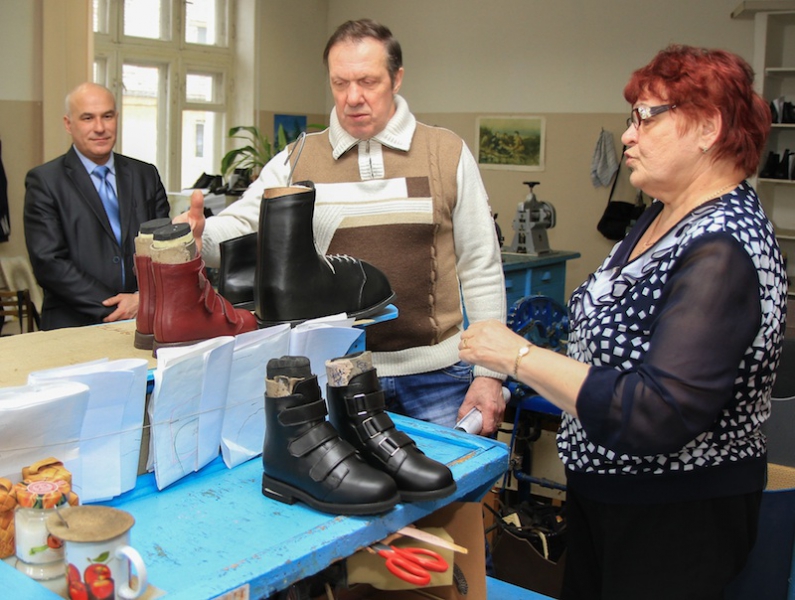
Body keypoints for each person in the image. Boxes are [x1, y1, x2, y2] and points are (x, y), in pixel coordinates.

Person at [460, 45, 786, 599]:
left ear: (707, 128)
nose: (628, 136)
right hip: (607, 496)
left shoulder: (723, 247)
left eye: (645, 118)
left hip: (673, 514)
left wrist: (517, 356)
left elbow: (657, 411)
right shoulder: (663, 213)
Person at [178, 19, 507, 433]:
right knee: (339, 478)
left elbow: (480, 267)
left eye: (368, 81)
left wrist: (490, 375)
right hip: (335, 375)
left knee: (451, 476)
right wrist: (198, 238)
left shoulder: (446, 153)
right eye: (340, 83)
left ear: (397, 78)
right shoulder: (297, 159)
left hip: (437, 378)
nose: (353, 98)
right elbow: (243, 228)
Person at [24, 82, 170, 330]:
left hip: (145, 321)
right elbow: (49, 263)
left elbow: (164, 249)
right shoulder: (45, 181)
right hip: (73, 326)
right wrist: (118, 308)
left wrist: (142, 299)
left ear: (117, 119)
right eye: (88, 118)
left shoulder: (145, 175)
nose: (100, 127)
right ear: (68, 124)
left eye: (107, 116)